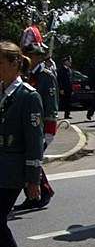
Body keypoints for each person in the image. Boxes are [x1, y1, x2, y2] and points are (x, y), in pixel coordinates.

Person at [0, 41, 43, 247]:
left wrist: (32, 179)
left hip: (13, 170)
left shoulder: (28, 96)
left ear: (15, 64)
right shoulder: (2, 92)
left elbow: (34, 140)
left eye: (1, 63)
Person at [13, 42, 57, 210]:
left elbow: (51, 103)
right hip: (28, 126)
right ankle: (38, 193)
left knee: (31, 159)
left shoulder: (46, 75)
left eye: (30, 56)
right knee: (28, 159)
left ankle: (41, 192)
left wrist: (49, 130)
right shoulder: (26, 75)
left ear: (38, 57)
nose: (27, 59)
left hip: (42, 126)